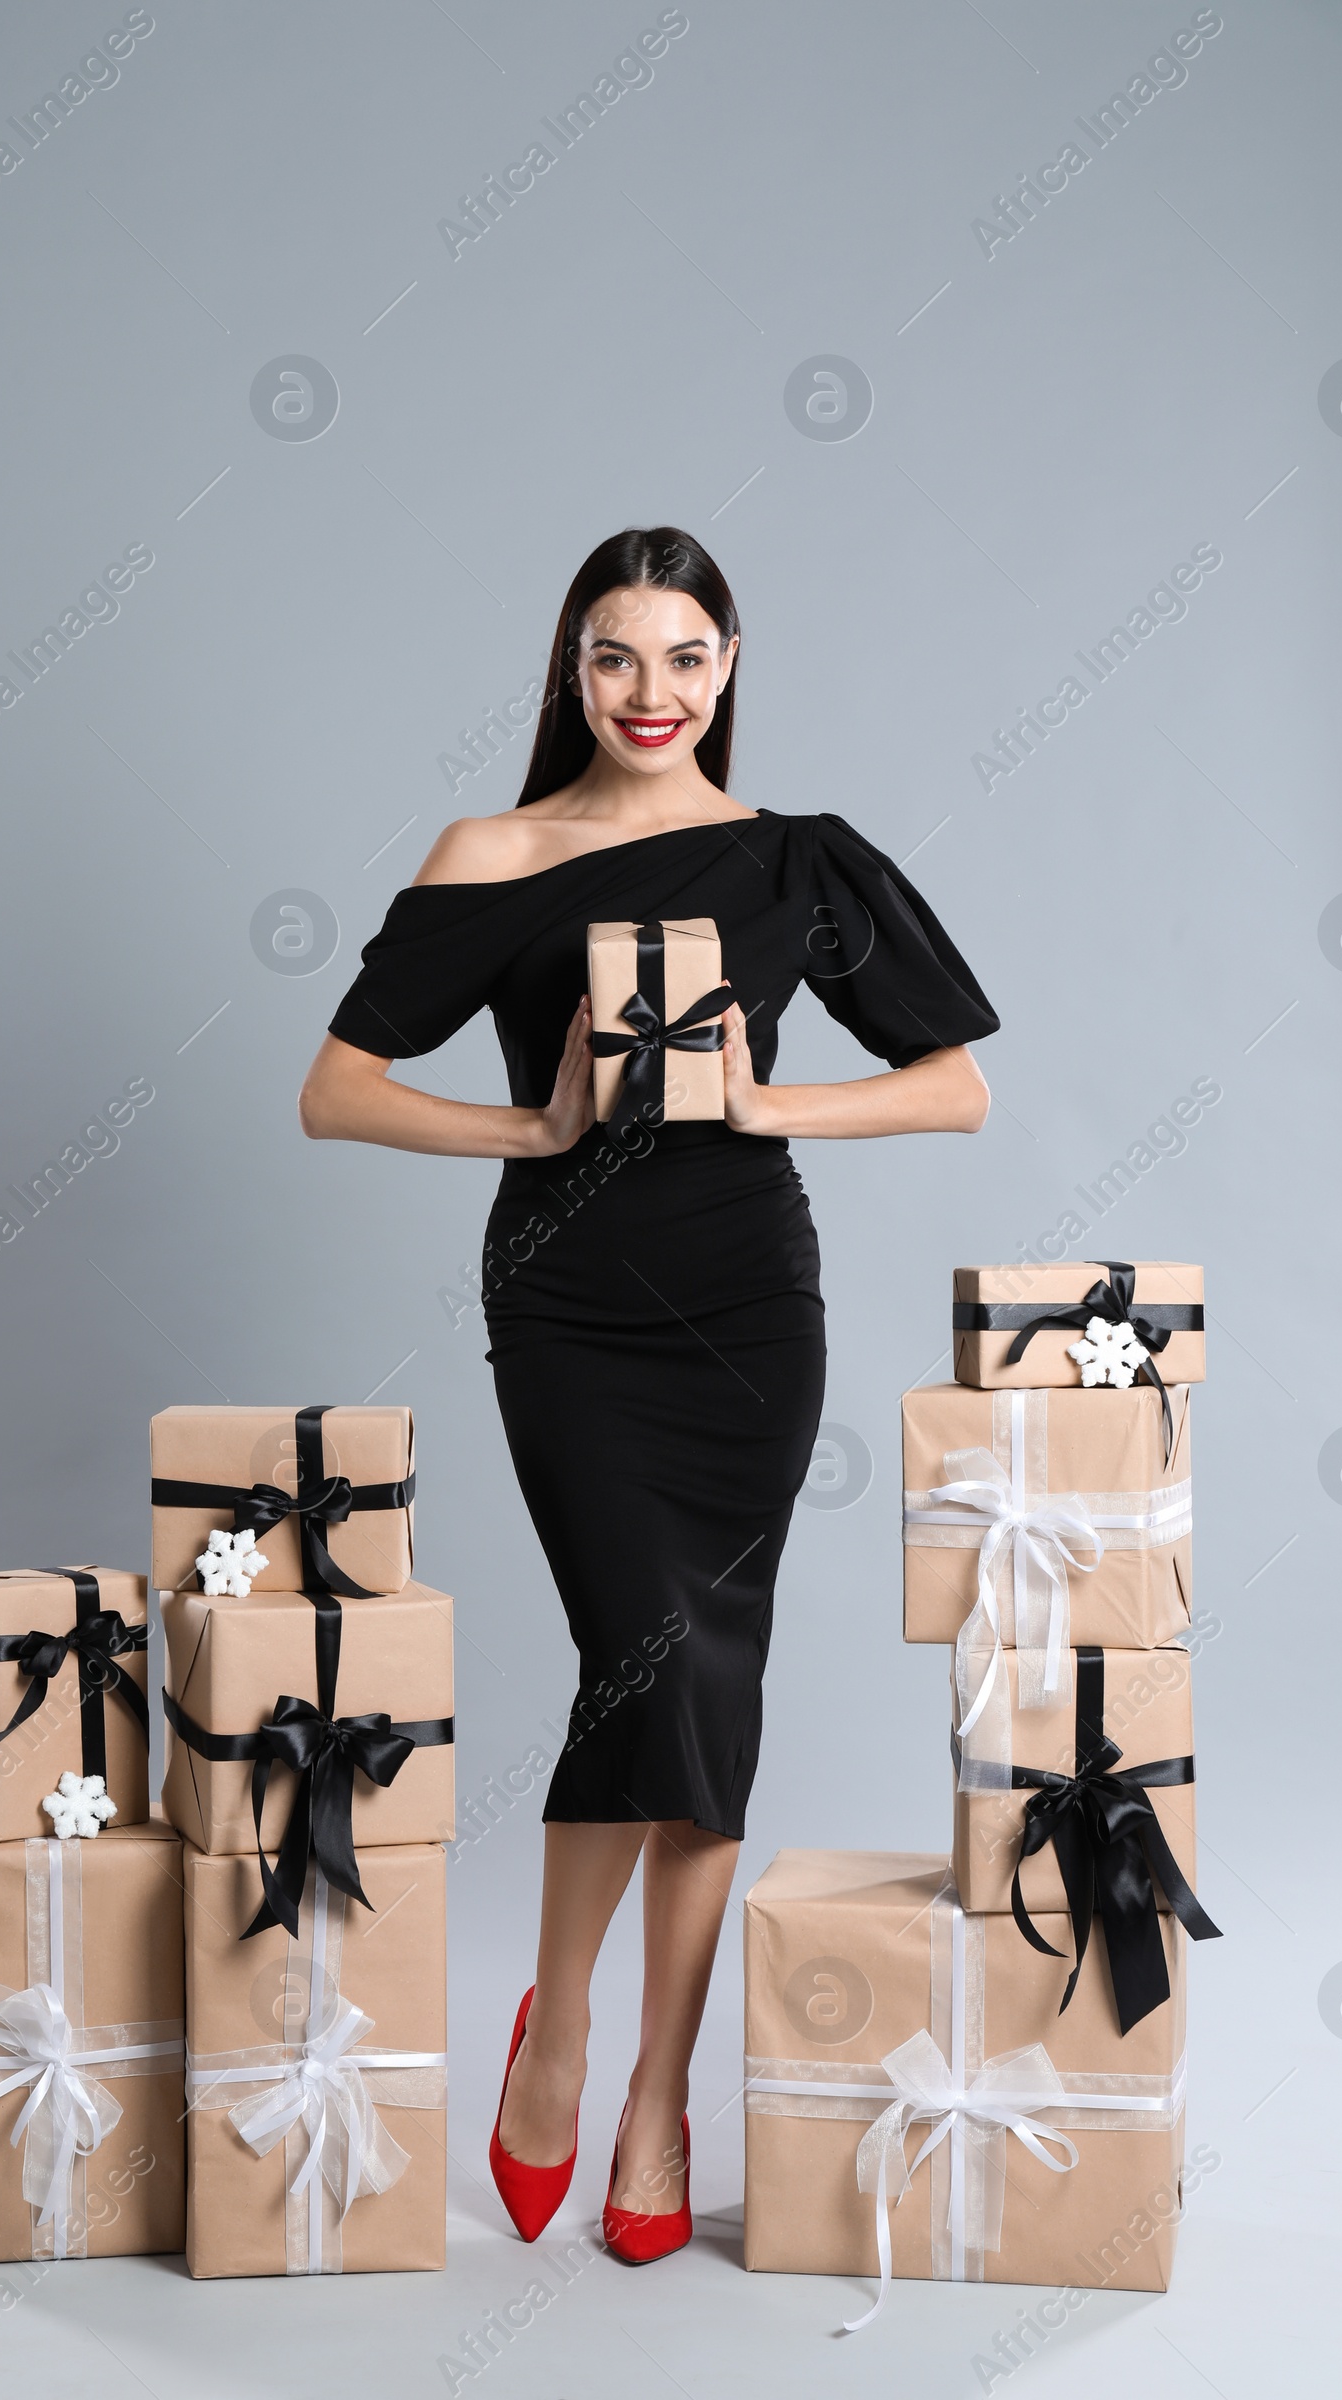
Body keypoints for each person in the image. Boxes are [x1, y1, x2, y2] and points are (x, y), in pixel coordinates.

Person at [300, 526, 998, 2262]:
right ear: (570, 673)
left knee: (709, 1681)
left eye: (685, 657)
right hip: (572, 1307)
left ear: (732, 665)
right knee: (647, 1649)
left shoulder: (790, 863)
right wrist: (531, 1126)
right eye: (616, 658)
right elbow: (335, 1089)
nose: (652, 694)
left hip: (749, 1310)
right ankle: (556, 2028)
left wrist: (770, 1106)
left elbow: (954, 1089)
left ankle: (653, 2092)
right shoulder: (499, 852)